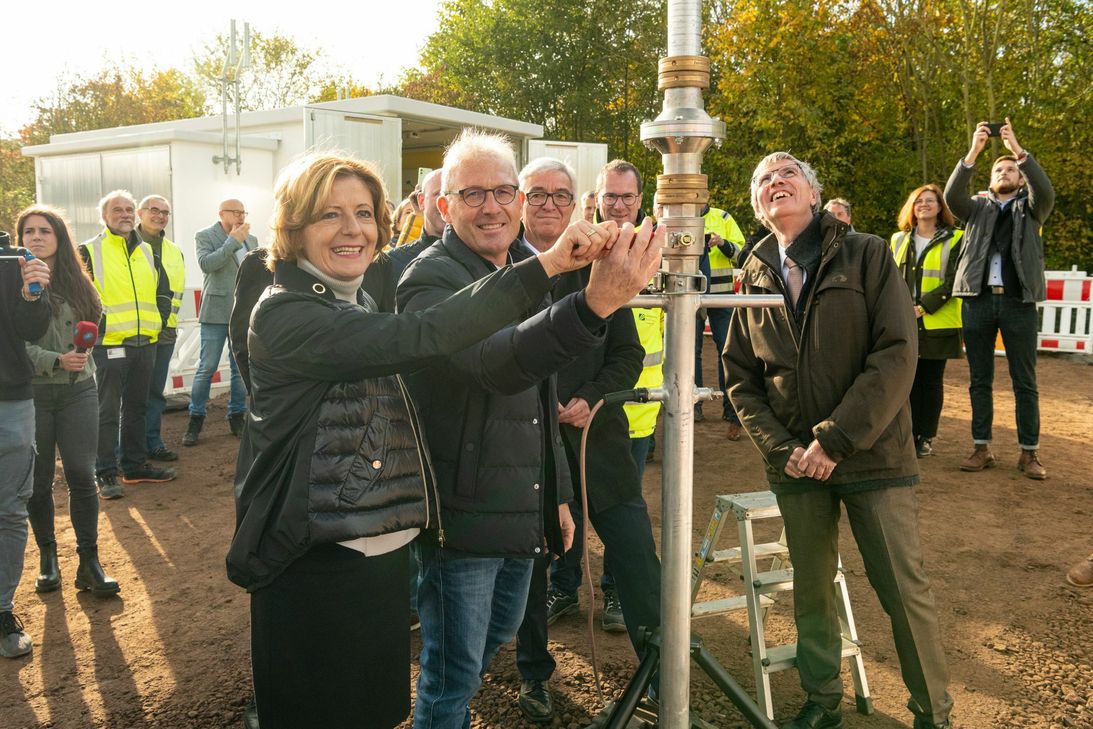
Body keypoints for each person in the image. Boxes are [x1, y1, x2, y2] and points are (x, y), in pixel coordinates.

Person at [226, 149, 651, 729]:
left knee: (379, 707)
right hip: (312, 556)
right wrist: (558, 276)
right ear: (292, 228)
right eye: (330, 215)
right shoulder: (289, 314)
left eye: (364, 213)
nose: (353, 229)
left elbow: (530, 397)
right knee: (347, 705)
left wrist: (550, 487)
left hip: (376, 545)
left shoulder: (359, 300)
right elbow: (427, 336)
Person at [398, 130, 663, 729]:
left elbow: (541, 402)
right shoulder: (429, 280)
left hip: (526, 505)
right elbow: (496, 362)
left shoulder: (523, 265)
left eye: (501, 192)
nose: (491, 207)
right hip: (463, 513)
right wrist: (592, 305)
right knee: (451, 675)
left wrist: (561, 497)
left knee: (491, 643)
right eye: (471, 195)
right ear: (444, 206)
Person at [725, 152, 953, 729]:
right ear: (757, 205)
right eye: (763, 179)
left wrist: (834, 440)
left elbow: (897, 354)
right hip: (796, 466)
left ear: (814, 192)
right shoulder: (751, 271)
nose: (775, 181)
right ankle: (821, 701)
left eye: (787, 174)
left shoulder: (867, 253)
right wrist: (785, 451)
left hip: (872, 455)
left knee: (902, 590)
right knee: (811, 590)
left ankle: (934, 712)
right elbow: (740, 378)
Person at [512, 158, 662, 722]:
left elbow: (626, 353)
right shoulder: (503, 270)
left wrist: (593, 396)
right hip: (529, 454)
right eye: (538, 195)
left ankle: (657, 670)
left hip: (598, 445)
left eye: (560, 196)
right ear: (521, 202)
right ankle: (534, 676)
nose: (549, 205)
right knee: (533, 567)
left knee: (637, 557)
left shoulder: (601, 267)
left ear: (578, 205)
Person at [944, 118, 1055, 480]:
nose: (1005, 171)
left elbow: (1046, 192)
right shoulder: (976, 209)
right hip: (976, 301)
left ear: (1020, 178)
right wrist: (975, 151)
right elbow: (950, 198)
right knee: (980, 379)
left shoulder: (1032, 208)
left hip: (1018, 302)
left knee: (1025, 380)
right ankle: (982, 448)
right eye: (999, 168)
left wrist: (1017, 150)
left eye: (1010, 169)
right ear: (990, 179)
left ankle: (1029, 453)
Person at [19, 206, 120, 597]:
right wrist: (54, 360)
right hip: (34, 395)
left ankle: (89, 562)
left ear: (59, 237)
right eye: (29, 231)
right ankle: (48, 558)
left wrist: (81, 351)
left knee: (81, 473)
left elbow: (97, 319)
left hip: (80, 389)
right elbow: (11, 344)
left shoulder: (81, 282)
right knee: (39, 481)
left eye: (45, 230)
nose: (37, 237)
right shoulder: (10, 282)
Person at [78, 191, 176, 497]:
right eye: (117, 210)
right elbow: (79, 296)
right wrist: (100, 328)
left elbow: (163, 291)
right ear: (104, 217)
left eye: (129, 210)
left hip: (145, 343)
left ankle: (133, 466)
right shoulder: (89, 250)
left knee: (137, 406)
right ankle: (105, 472)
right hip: (109, 345)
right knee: (107, 411)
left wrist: (157, 323)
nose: (125, 214)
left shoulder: (147, 250)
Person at [0, 228, 51, 659]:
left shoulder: (15, 260)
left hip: (10, 401)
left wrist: (34, 294)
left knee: (10, 510)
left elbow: (32, 331)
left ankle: (1, 611)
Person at [890, 185, 965, 458]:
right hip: (903, 320)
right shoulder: (898, 239)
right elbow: (890, 278)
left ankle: (926, 437)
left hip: (937, 322)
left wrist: (921, 308)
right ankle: (907, 434)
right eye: (919, 201)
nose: (924, 204)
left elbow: (954, 279)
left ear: (940, 207)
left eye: (930, 201)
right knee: (906, 381)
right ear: (912, 207)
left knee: (931, 382)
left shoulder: (957, 238)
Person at [185, 199, 256, 446]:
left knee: (239, 369)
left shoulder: (252, 240)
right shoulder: (205, 236)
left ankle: (236, 415)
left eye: (243, 212)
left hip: (243, 313)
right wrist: (232, 241)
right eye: (235, 212)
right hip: (215, 312)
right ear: (221, 214)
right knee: (207, 368)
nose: (240, 216)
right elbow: (208, 264)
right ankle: (196, 418)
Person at [136, 196, 184, 462]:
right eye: (154, 210)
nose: (160, 216)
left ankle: (153, 443)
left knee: (155, 392)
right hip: (132, 333)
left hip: (164, 333)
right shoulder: (124, 246)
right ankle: (128, 450)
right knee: (131, 396)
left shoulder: (174, 251)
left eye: (166, 212)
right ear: (141, 213)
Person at [693, 203, 746, 436]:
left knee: (726, 348)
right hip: (692, 294)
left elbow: (742, 253)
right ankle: (693, 405)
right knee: (690, 351)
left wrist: (722, 243)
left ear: (707, 195)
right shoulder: (681, 216)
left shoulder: (723, 217)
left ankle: (731, 407)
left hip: (721, 294)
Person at [388, 168, 445, 279]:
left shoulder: (480, 255)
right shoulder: (392, 262)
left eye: (449, 194)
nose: (444, 202)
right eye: (438, 194)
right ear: (421, 201)